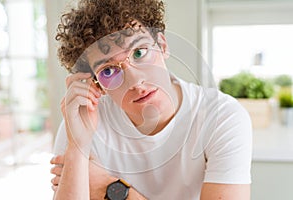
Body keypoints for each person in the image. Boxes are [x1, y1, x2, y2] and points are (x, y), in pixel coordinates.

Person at [50, 0, 252, 199]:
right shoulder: (82, 122)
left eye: (139, 52)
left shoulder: (222, 116)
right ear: (96, 84)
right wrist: (78, 147)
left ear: (162, 45)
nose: (136, 81)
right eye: (109, 71)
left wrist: (110, 189)